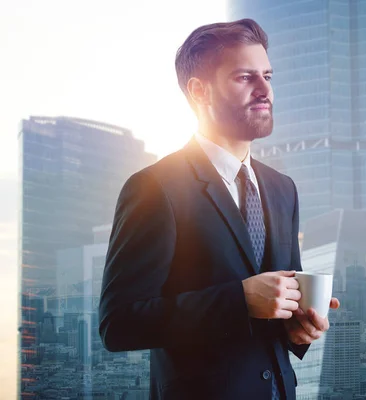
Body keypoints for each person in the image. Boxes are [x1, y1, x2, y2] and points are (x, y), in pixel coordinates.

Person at [98, 18, 340, 400]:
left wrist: (297, 328)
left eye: (268, 76)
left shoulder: (282, 189)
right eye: (245, 77)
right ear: (199, 91)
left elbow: (277, 307)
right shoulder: (154, 187)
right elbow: (119, 324)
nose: (265, 90)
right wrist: (239, 300)